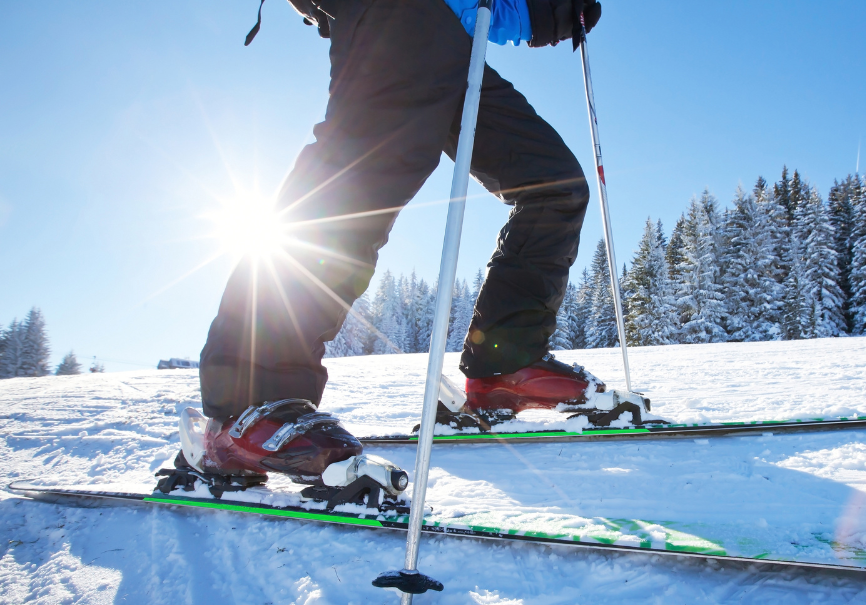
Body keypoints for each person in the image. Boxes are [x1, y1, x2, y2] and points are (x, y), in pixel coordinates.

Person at [195, 0, 604, 481]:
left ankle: (503, 367)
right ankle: (248, 408)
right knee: (359, 179)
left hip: (455, 36)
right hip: (396, 14)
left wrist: (550, 11)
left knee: (553, 186)